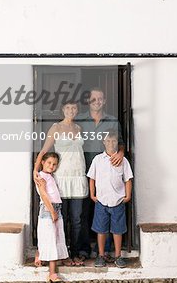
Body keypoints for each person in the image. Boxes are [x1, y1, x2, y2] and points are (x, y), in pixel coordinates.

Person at [33, 100, 88, 266]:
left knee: (77, 218)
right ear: (63, 109)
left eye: (74, 107)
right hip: (61, 179)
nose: (71, 110)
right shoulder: (56, 128)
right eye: (68, 107)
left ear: (77, 110)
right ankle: (61, 254)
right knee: (59, 218)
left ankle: (75, 253)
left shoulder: (79, 128)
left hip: (78, 177)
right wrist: (36, 170)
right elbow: (44, 151)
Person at [76, 87, 125, 260]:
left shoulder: (112, 121)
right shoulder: (79, 119)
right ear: (88, 101)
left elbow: (120, 143)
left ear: (104, 101)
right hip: (82, 170)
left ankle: (104, 250)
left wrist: (120, 153)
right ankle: (82, 250)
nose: (97, 102)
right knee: (83, 211)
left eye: (100, 99)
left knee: (108, 208)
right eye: (93, 99)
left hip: (107, 174)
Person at [87, 129, 133, 268]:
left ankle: (118, 256)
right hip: (101, 201)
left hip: (118, 201)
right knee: (101, 230)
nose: (111, 143)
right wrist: (92, 194)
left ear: (117, 143)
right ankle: (100, 255)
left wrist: (128, 195)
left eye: (113, 141)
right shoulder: (97, 160)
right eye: (108, 141)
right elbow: (92, 178)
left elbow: (128, 179)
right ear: (103, 142)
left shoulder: (123, 160)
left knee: (117, 230)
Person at [36, 152, 69, 282]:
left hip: (56, 209)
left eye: (54, 164)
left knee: (55, 236)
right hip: (48, 209)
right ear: (42, 162)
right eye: (49, 163)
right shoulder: (41, 177)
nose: (52, 166)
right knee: (50, 239)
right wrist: (52, 212)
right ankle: (52, 273)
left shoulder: (50, 176)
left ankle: (41, 255)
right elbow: (44, 195)